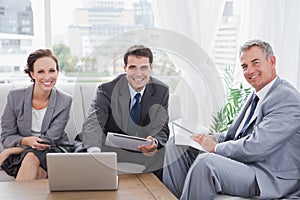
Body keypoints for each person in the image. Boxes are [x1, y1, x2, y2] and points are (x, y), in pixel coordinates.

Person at [163, 39, 300, 199]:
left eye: (255, 63)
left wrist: (215, 148)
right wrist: (213, 138)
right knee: (176, 144)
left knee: (206, 163)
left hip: (267, 175)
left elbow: (257, 146)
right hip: (247, 164)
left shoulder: (285, 97)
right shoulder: (256, 94)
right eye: (245, 66)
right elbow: (236, 134)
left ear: (272, 61)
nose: (250, 71)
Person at [80, 45, 169, 179]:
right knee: (83, 155)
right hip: (110, 149)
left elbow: (161, 127)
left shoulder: (161, 91)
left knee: (167, 156)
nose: (138, 73)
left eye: (144, 67)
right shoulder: (107, 90)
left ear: (151, 68)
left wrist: (154, 142)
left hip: (142, 150)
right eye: (133, 67)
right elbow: (94, 123)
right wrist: (95, 152)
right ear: (125, 69)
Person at [0, 49, 72, 181]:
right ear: (32, 74)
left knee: (32, 156)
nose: (47, 77)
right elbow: (6, 136)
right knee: (38, 174)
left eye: (52, 70)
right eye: (40, 72)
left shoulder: (65, 100)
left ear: (57, 72)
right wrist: (25, 141)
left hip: (53, 149)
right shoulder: (15, 97)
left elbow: (50, 139)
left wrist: (9, 151)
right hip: (24, 153)